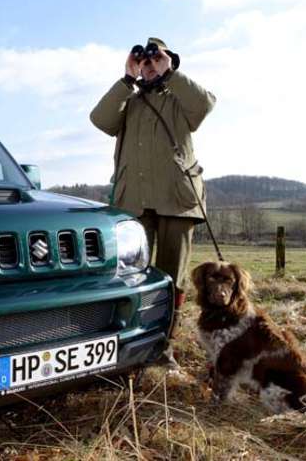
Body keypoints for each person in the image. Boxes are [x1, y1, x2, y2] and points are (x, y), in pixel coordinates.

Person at [89, 37, 216, 353]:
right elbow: (100, 120)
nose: (149, 64)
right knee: (130, 275)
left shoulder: (180, 99)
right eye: (144, 61)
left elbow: (204, 105)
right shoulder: (128, 103)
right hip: (134, 203)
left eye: (154, 60)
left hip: (177, 201)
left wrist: (169, 72)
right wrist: (127, 79)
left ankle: (164, 345)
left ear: (168, 62)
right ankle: (129, 338)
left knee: (172, 277)